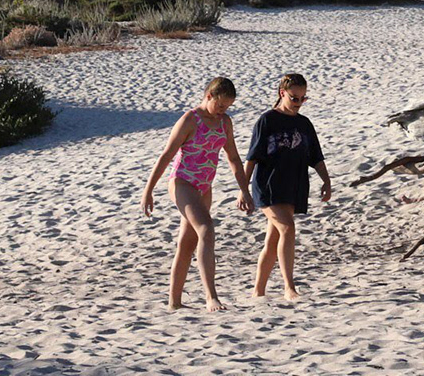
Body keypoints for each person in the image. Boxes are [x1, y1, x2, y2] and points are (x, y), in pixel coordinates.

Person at [141, 76, 252, 312]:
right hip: (182, 182)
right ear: (209, 96)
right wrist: (148, 191)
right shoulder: (190, 120)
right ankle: (211, 296)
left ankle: (174, 302)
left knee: (187, 242)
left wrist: (245, 190)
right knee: (206, 229)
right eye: (220, 105)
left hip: (204, 186)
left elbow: (233, 158)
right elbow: (166, 155)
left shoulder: (225, 123)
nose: (223, 111)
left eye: (228, 107)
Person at [243, 72, 332, 302]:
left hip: (293, 186)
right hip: (268, 186)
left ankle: (258, 292)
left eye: (303, 98)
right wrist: (243, 190)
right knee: (287, 229)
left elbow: (316, 156)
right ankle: (289, 287)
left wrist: (326, 180)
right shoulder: (267, 120)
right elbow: (252, 158)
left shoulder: (304, 123)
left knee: (272, 241)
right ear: (282, 93)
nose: (299, 103)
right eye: (294, 98)